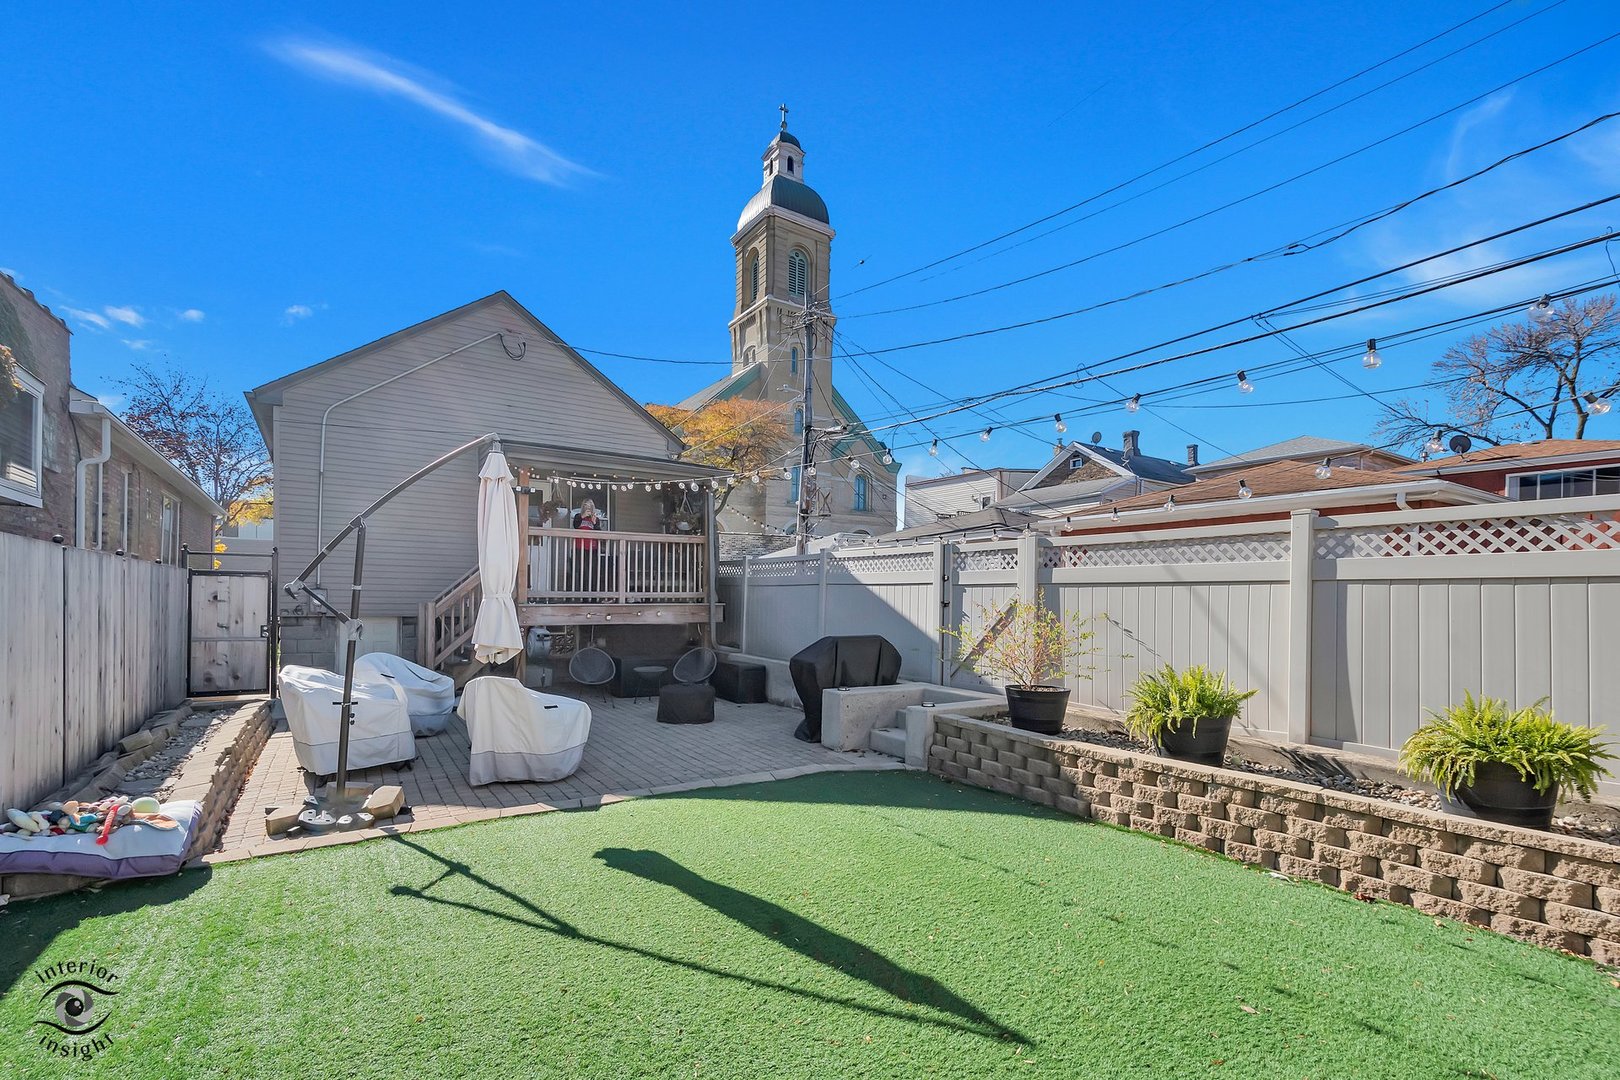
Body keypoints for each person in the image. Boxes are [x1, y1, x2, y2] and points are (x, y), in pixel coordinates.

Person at [572, 499, 604, 595]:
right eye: (586, 507)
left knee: (593, 572)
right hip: (580, 548)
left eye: (590, 508)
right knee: (582, 572)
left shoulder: (595, 519)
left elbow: (599, 533)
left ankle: (593, 596)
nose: (588, 510)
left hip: (592, 549)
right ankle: (583, 596)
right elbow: (575, 526)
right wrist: (582, 516)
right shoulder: (578, 516)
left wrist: (594, 523)